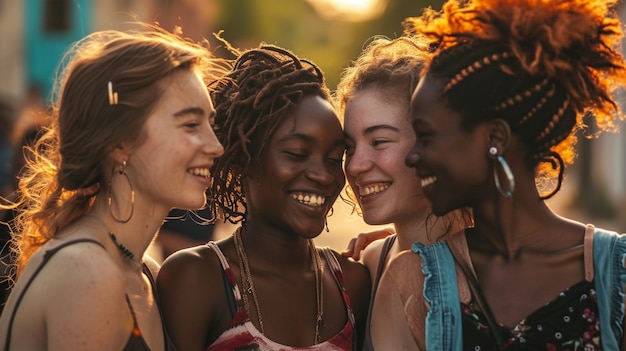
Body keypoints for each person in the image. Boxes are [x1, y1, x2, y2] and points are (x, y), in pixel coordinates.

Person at [375, 0, 626, 349]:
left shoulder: (616, 275)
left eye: (427, 136)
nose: (413, 157)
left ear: (494, 138)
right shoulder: (413, 283)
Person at [0, 23, 225, 350]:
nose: (216, 145)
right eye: (191, 125)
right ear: (119, 142)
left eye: (211, 124)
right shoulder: (88, 272)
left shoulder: (143, 270)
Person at [156, 44, 372, 351]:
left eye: (335, 157)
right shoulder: (197, 278)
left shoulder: (352, 283)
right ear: (244, 160)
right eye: (297, 153)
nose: (324, 175)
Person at [335, 35, 470, 350]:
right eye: (348, 147)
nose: (354, 166)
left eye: (379, 141)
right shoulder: (370, 262)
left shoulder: (483, 265)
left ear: (432, 144)